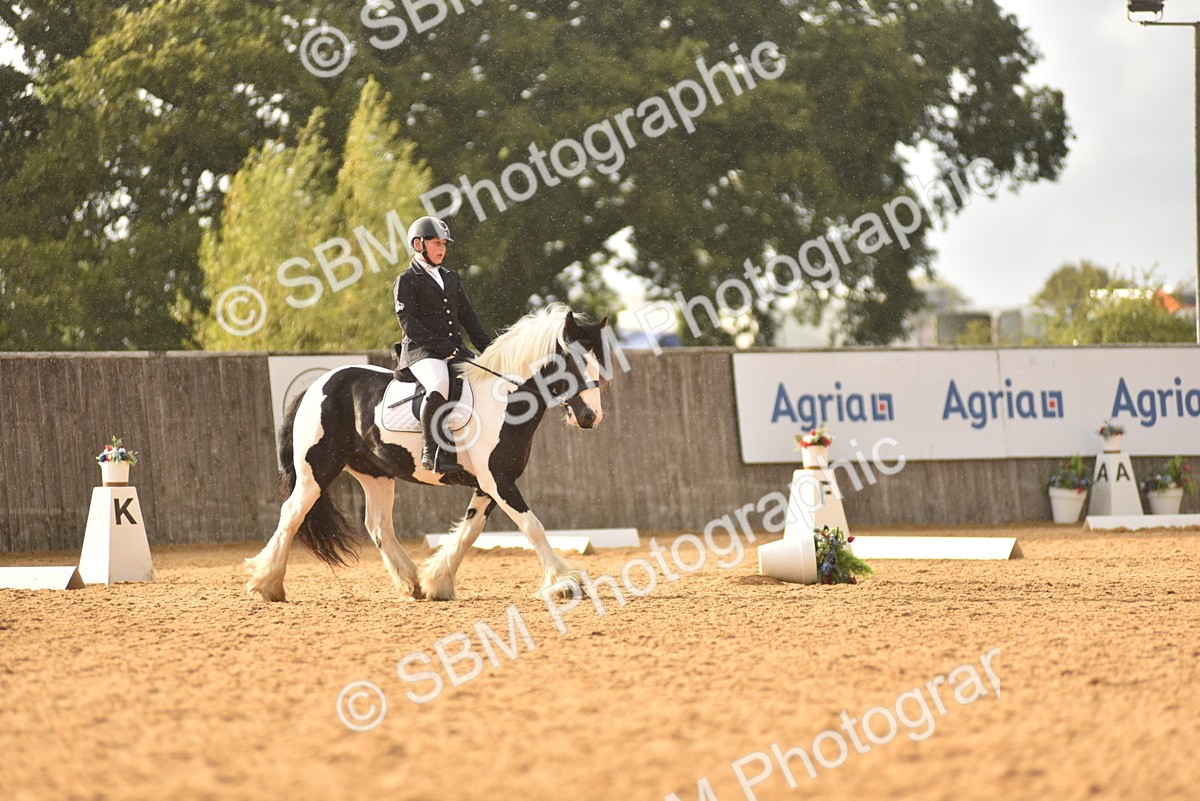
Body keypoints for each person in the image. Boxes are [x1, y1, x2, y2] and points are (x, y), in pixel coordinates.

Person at [393, 216, 493, 475]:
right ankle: (431, 452)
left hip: (453, 349)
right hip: (421, 352)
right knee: (439, 383)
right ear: (419, 244)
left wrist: (489, 350)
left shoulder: (450, 277)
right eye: (436, 243)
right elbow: (409, 323)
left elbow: (467, 316)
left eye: (444, 244)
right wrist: (444, 347)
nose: (442, 249)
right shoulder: (407, 280)